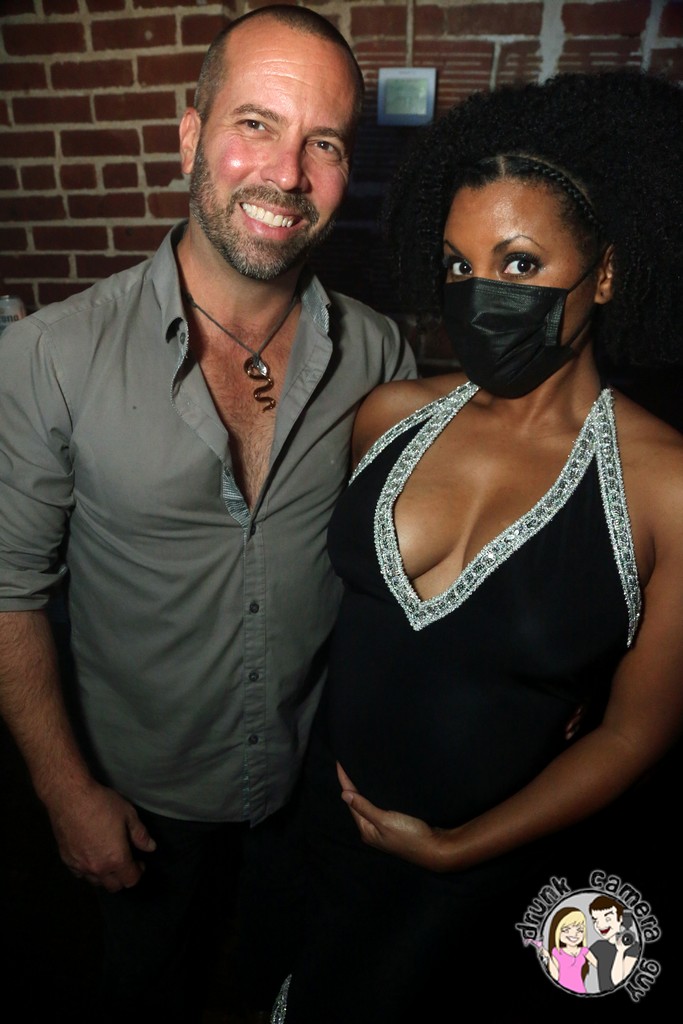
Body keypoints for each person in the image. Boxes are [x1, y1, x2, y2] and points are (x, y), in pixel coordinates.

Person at [0, 6, 415, 1021]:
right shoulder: (50, 356)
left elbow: (408, 559)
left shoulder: (379, 355)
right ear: (190, 135)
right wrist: (66, 792)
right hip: (141, 798)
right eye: (255, 124)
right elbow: (9, 593)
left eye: (324, 143)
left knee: (277, 986)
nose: (286, 174)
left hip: (312, 784)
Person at [276, 69, 683, 1021]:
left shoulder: (663, 485)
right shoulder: (388, 416)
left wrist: (456, 848)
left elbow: (634, 733)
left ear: (605, 273)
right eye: (458, 268)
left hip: (499, 875)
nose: (480, 296)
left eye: (520, 265)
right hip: (331, 836)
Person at [589, 895, 640, 990]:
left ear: (620, 919)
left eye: (608, 919)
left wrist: (620, 951)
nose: (600, 925)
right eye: (595, 920)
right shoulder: (598, 946)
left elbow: (618, 982)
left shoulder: (633, 947)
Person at [543, 907, 596, 994]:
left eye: (580, 930)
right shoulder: (557, 952)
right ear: (557, 931)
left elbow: (600, 966)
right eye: (566, 930)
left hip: (581, 991)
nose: (574, 934)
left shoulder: (584, 951)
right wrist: (548, 957)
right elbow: (555, 977)